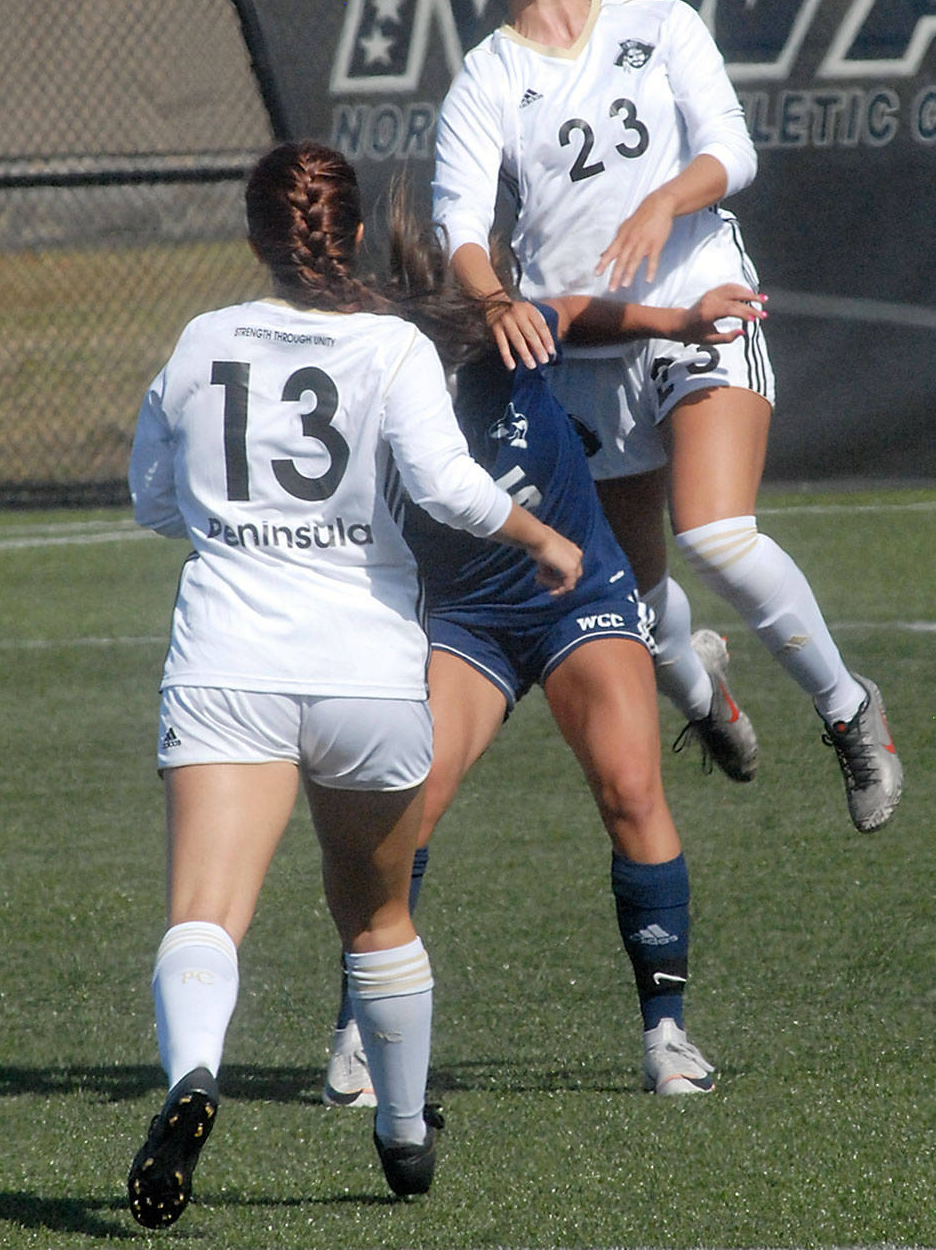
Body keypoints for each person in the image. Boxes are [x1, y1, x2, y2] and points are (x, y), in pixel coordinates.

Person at [363, 0, 903, 836]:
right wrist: (492, 299)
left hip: (700, 303)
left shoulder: (661, 25)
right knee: (635, 601)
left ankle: (848, 714)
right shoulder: (485, 80)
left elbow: (729, 152)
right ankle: (698, 689)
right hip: (586, 348)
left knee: (716, 529)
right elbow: (463, 230)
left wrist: (664, 202)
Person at [124, 141, 582, 1226]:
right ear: (358, 232)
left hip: (228, 659)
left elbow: (153, 500)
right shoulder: (392, 346)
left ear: (255, 240)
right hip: (365, 670)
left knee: (205, 912)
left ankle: (194, 1078)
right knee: (375, 916)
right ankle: (403, 1131)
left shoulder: (201, 341)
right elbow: (440, 483)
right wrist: (540, 537)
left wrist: (239, 528)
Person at [322, 201, 764, 1111]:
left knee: (632, 790)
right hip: (466, 616)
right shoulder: (365, 386)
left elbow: (572, 310)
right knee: (407, 806)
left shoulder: (503, 343)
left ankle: (666, 1035)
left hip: (579, 595)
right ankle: (358, 1029)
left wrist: (677, 321)